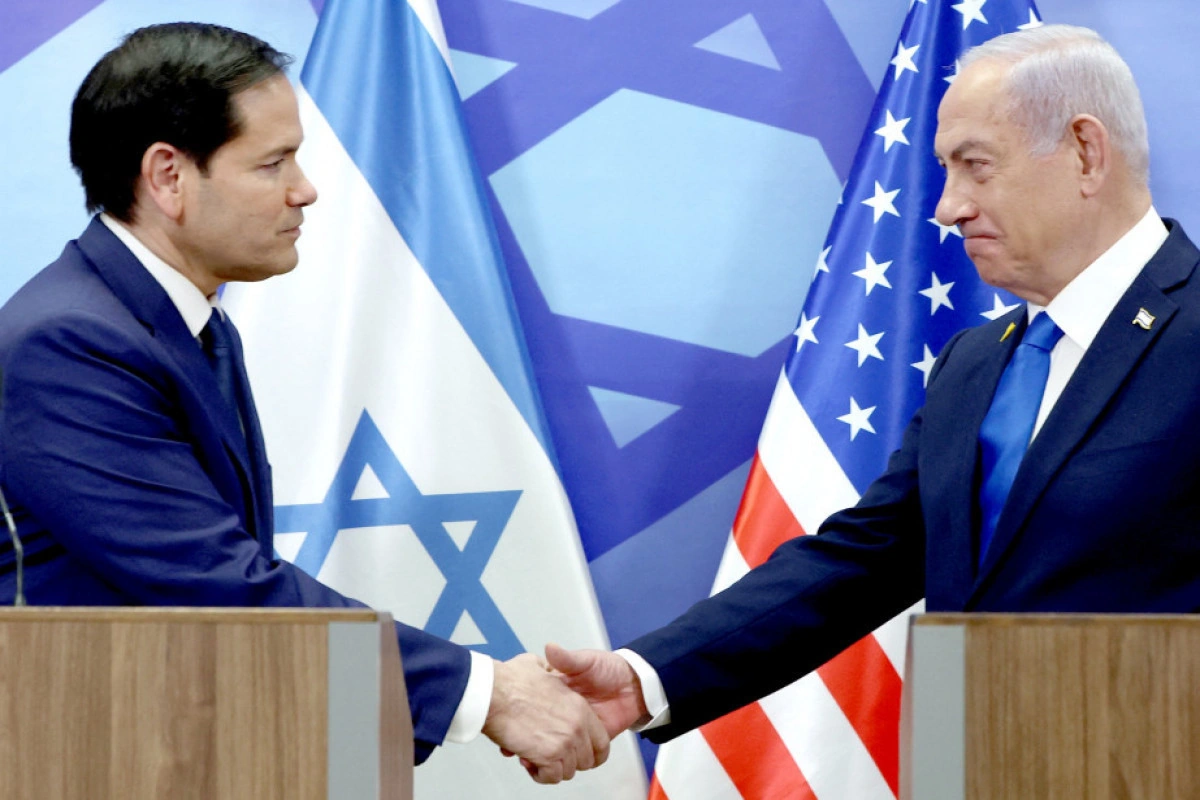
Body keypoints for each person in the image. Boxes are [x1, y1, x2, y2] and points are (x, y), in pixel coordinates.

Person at [546, 23, 1200, 745]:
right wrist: (645, 680)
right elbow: (867, 557)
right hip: (966, 763)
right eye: (945, 171)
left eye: (976, 166)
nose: (948, 207)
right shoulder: (975, 364)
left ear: (1085, 152)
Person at [0, 22, 605, 784]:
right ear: (168, 176)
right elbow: (208, 582)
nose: (305, 189)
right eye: (273, 162)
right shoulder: (69, 343)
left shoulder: (188, 323)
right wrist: (482, 693)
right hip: (83, 759)